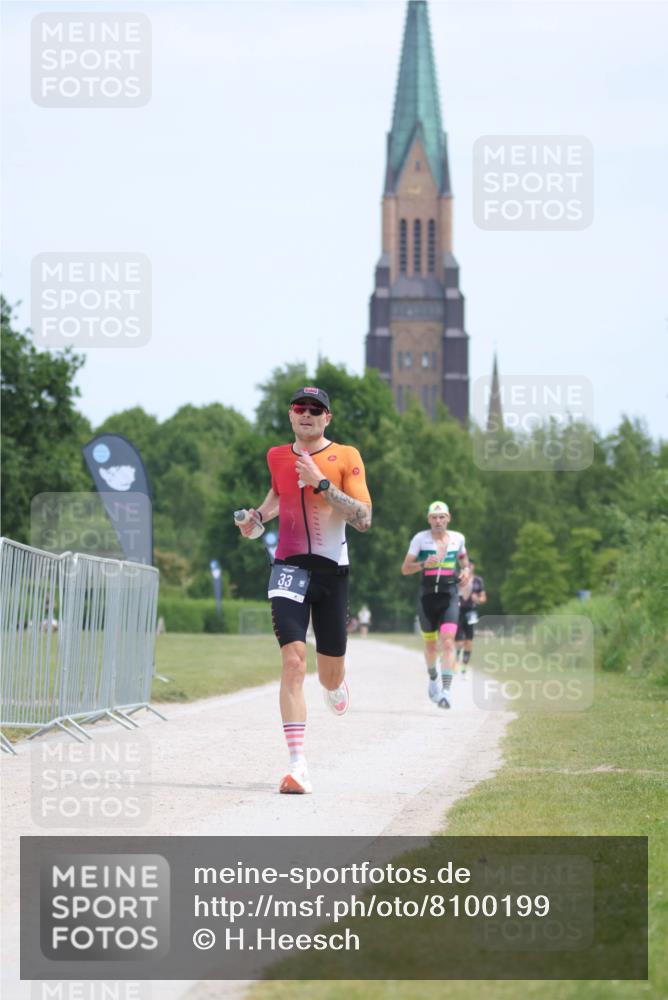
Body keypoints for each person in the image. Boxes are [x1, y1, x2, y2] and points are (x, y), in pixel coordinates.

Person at [237, 386, 372, 794]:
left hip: (332, 572)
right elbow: (278, 495)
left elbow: (364, 519)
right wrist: (256, 517)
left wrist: (322, 484)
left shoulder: (346, 456)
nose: (308, 414)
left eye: (316, 409)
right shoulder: (277, 456)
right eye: (301, 407)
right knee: (294, 662)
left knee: (328, 676)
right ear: (291, 414)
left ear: (327, 418)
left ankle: (335, 683)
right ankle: (297, 765)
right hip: (289, 568)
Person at [401, 501, 469, 709]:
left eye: (442, 517)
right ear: (429, 520)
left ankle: (446, 691)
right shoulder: (420, 539)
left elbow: (464, 560)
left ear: (448, 518)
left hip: (449, 596)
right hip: (427, 598)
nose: (438, 521)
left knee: (448, 642)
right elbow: (405, 568)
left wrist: (465, 571)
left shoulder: (458, 538)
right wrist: (423, 564)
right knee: (431, 646)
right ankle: (433, 678)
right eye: (434, 517)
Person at [456, 560, 487, 675]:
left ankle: (464, 666)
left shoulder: (478, 581)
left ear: (473, 567)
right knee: (458, 640)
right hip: (458, 611)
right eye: (466, 565)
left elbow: (483, 598)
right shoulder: (458, 579)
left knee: (469, 640)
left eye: (470, 565)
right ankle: (456, 659)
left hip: (471, 611)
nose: (468, 567)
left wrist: (477, 599)